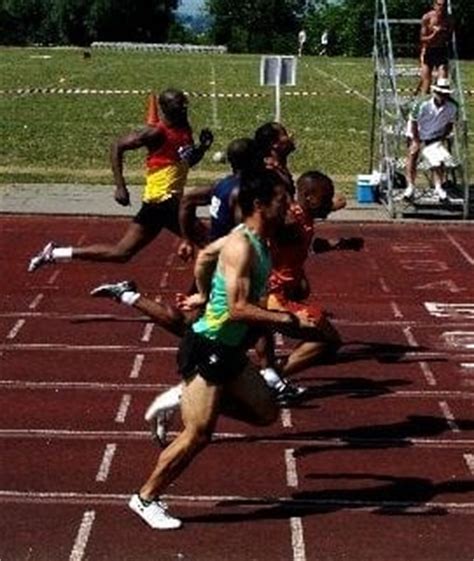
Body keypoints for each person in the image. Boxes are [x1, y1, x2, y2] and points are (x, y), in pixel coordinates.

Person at [126, 169, 319, 530]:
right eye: (282, 200)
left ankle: (184, 397)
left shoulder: (253, 239)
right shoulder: (242, 245)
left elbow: (203, 257)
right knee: (198, 434)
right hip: (209, 345)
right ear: (261, 205)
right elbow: (237, 309)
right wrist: (289, 322)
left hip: (228, 349)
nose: (289, 206)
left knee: (265, 413)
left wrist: (202, 291)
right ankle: (145, 498)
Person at [28, 88, 213, 272]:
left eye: (184, 103)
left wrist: (203, 148)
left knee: (121, 253)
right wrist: (120, 187)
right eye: (178, 104)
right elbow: (117, 146)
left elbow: (187, 161)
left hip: (157, 204)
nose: (183, 107)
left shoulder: (184, 127)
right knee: (212, 246)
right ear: (164, 107)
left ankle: (56, 252)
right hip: (164, 200)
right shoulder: (155, 133)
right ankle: (202, 297)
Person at [403, 77, 458, 203]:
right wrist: (416, 141)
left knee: (438, 159)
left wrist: (441, 138)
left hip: (435, 133)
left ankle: (439, 187)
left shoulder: (452, 107)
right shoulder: (422, 104)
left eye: (445, 94)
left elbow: (450, 124)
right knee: (413, 154)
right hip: (417, 131)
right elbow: (414, 122)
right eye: (439, 93)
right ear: (434, 92)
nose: (442, 96)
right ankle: (410, 186)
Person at [419, 0, 453, 95]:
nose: (442, 8)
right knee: (426, 82)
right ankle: (424, 105)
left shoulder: (448, 19)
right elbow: (422, 39)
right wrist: (435, 34)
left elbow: (450, 36)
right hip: (428, 50)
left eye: (444, 5)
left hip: (441, 50)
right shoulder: (427, 17)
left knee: (443, 81)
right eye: (439, 5)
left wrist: (444, 32)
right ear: (434, 5)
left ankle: (441, 104)